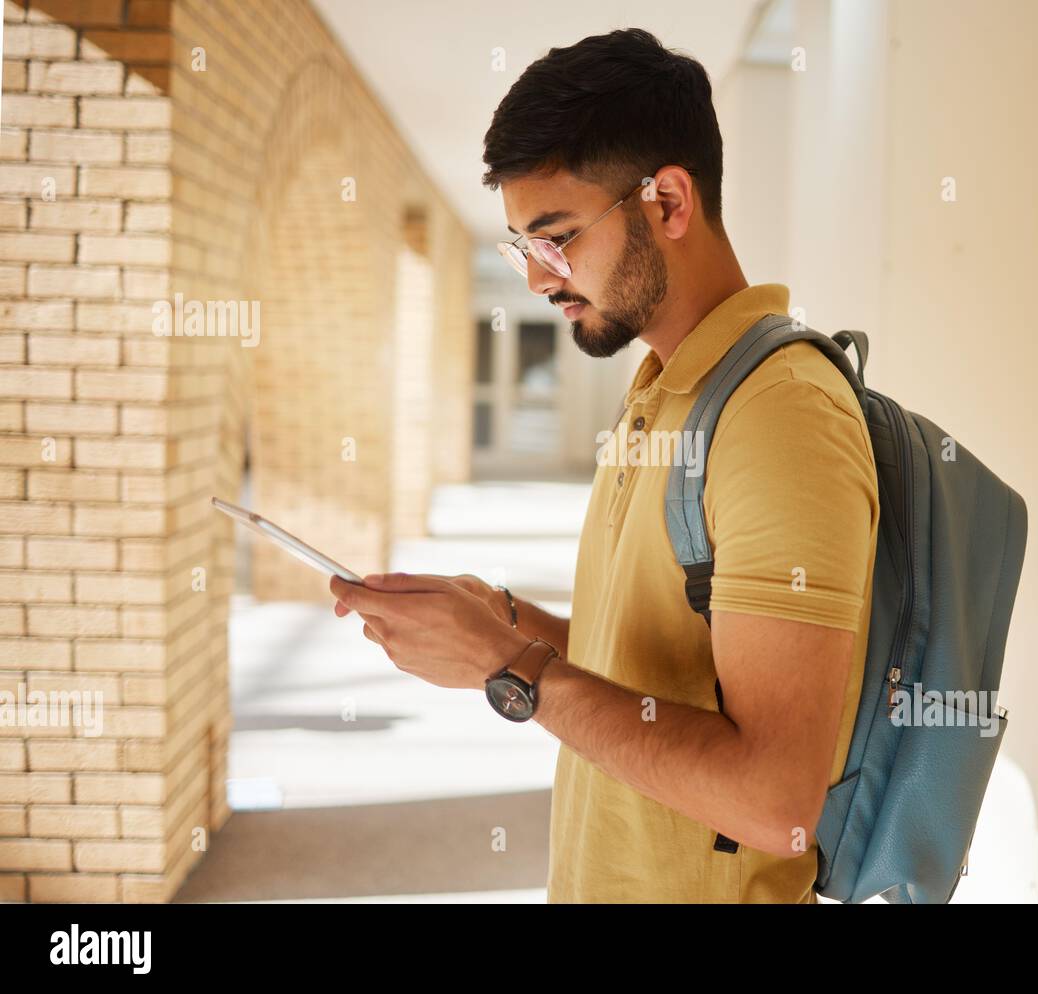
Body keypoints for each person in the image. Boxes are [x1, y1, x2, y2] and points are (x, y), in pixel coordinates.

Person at [330, 27, 879, 904]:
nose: (539, 281)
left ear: (667, 202)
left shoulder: (780, 416)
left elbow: (777, 804)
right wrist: (503, 621)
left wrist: (509, 672)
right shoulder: (661, 388)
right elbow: (652, 674)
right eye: (522, 249)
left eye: (556, 238)